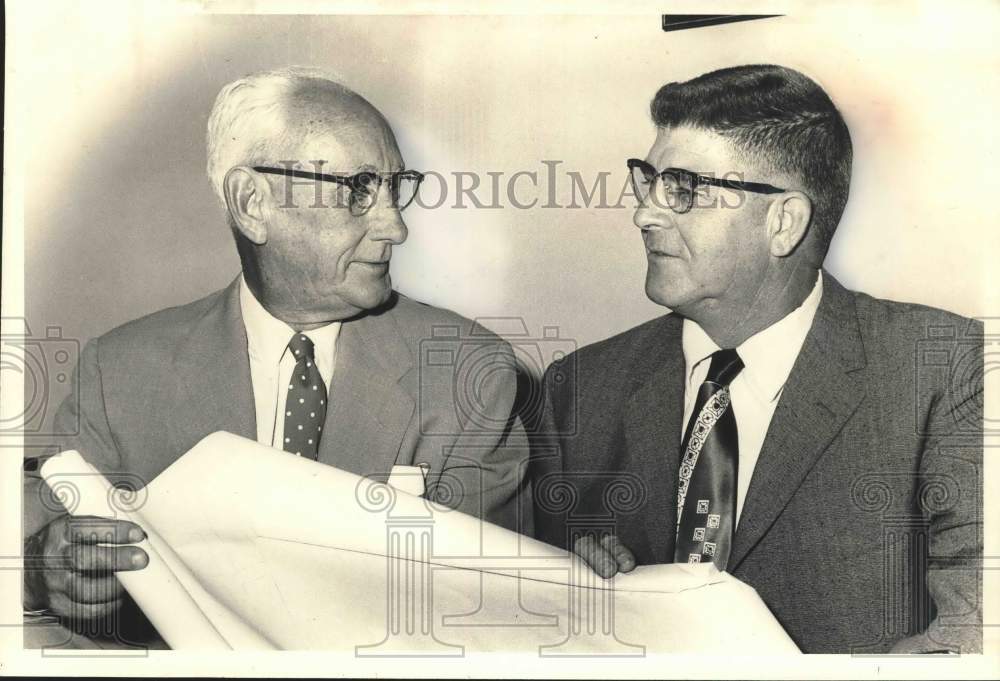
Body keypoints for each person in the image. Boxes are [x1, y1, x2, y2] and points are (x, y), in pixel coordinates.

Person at [23, 66, 532, 632]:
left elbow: (487, 610)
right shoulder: (117, 372)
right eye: (359, 190)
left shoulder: (468, 373)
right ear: (252, 203)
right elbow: (44, 551)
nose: (395, 226)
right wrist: (47, 569)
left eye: (395, 188)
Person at [531, 64, 982, 654]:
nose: (645, 214)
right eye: (648, 180)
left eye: (685, 190)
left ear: (784, 223)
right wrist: (570, 585)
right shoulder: (579, 386)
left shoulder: (941, 369)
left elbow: (978, 626)